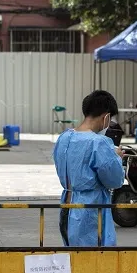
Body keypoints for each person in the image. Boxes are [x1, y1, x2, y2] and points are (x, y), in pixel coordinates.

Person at [53, 90, 125, 246]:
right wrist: (117, 158)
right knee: (94, 258)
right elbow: (114, 179)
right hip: (90, 208)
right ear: (106, 116)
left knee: (72, 253)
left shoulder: (64, 137)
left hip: (67, 202)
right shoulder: (99, 142)